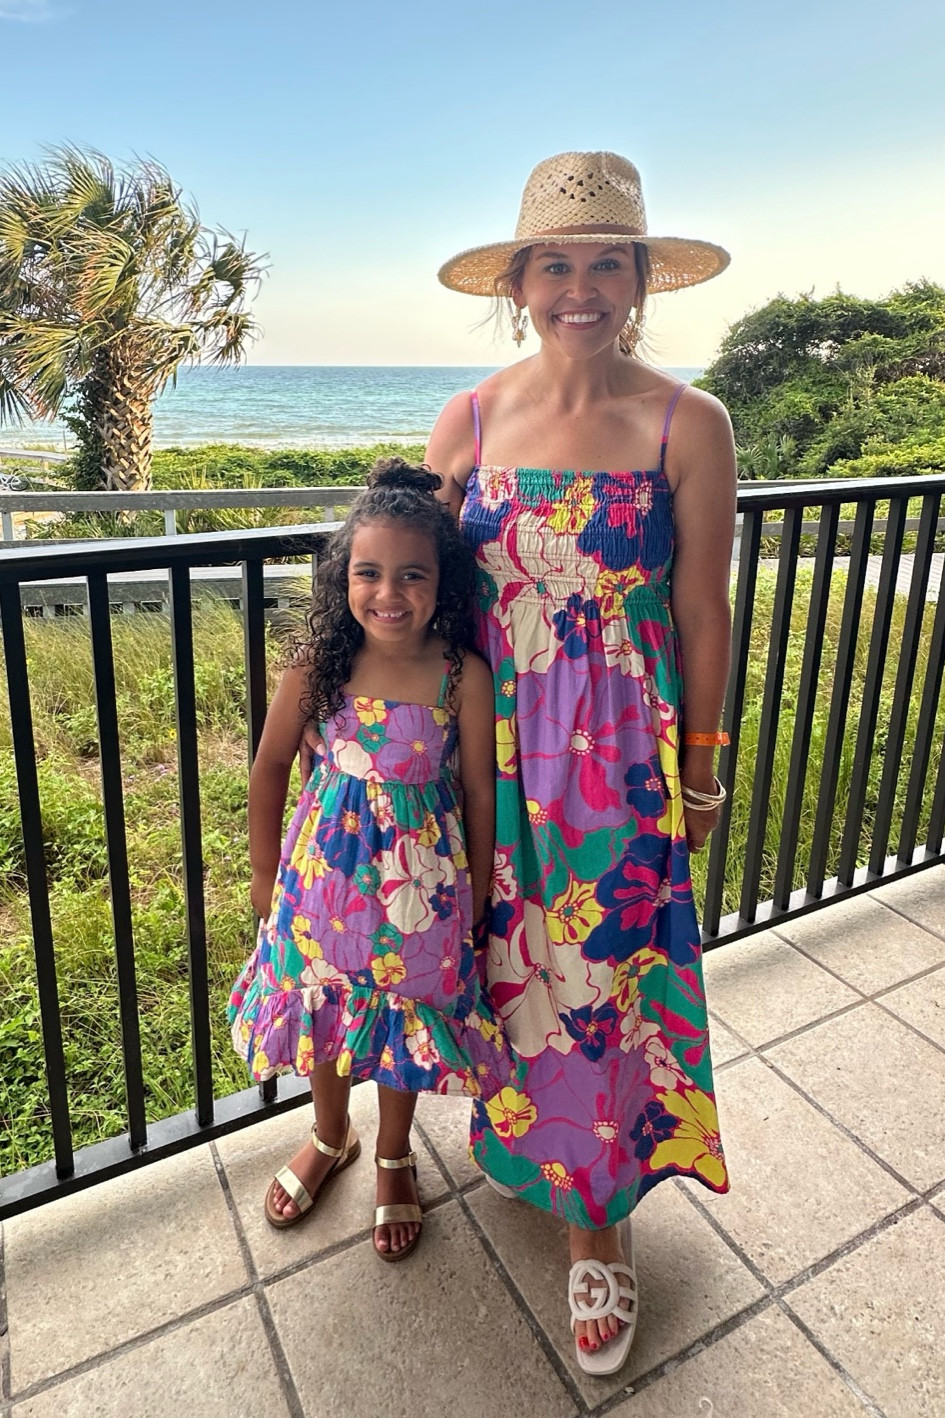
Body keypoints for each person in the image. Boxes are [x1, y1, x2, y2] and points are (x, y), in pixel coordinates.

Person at [425, 150, 736, 1373]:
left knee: (602, 977)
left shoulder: (687, 423)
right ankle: (529, 1147)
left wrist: (701, 767)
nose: (582, 287)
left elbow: (703, 610)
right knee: (507, 962)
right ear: (519, 283)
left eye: (609, 262)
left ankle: (599, 1219)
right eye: (556, 264)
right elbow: (414, 590)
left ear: (642, 280)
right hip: (492, 756)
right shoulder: (467, 420)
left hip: (618, 762)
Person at [229, 458, 517, 1261]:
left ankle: (393, 1152)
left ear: (442, 582)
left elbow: (480, 793)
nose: (388, 593)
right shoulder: (317, 666)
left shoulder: (462, 676)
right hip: (321, 884)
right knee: (324, 1012)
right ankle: (330, 1136)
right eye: (368, 573)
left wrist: (478, 890)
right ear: (343, 577)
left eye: (411, 575)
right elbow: (270, 766)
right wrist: (263, 874)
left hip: (422, 893)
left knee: (403, 1022)